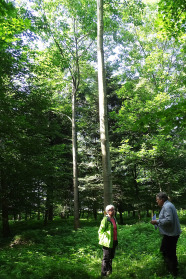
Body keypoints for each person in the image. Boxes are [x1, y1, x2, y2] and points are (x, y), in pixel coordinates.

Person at [150, 192, 181, 277]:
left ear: (162, 199)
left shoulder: (167, 206)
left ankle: (173, 272)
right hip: (171, 233)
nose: (157, 202)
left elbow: (169, 221)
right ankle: (171, 270)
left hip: (171, 234)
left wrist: (157, 221)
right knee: (166, 251)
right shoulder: (168, 205)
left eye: (157, 200)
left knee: (168, 253)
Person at [98, 204, 118, 277]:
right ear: (107, 211)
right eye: (111, 210)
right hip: (107, 242)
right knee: (106, 258)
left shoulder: (114, 219)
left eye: (113, 209)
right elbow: (100, 231)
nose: (113, 211)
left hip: (114, 241)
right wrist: (103, 240)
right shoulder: (105, 220)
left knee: (111, 257)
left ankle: (109, 272)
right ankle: (103, 274)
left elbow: (115, 230)